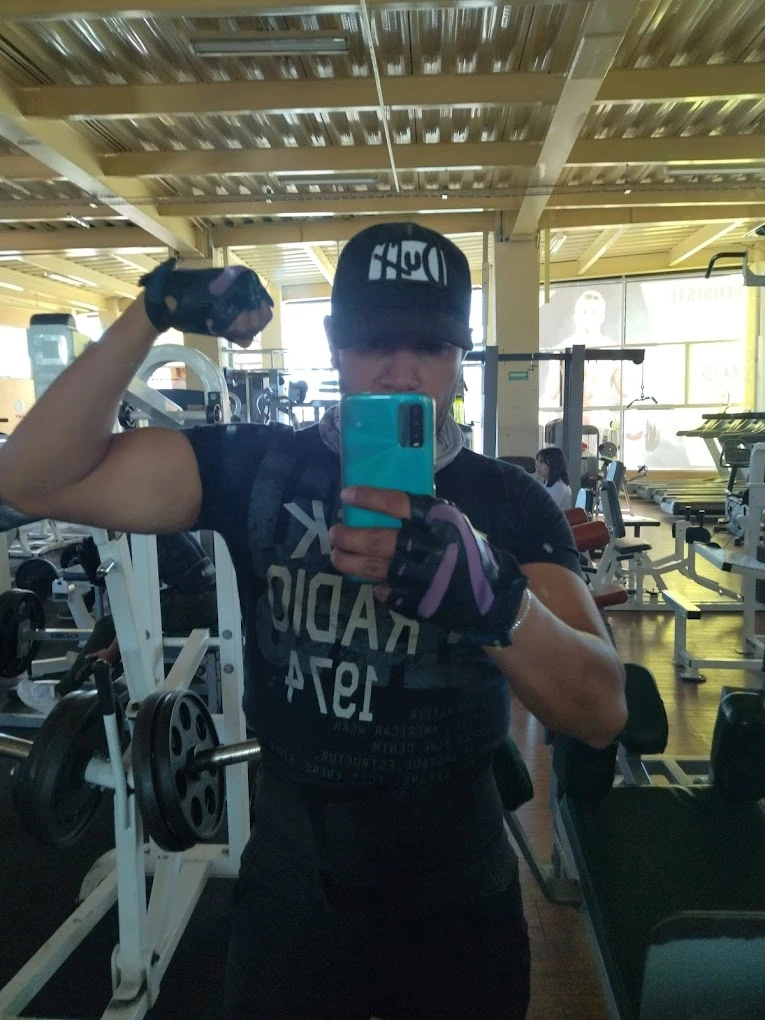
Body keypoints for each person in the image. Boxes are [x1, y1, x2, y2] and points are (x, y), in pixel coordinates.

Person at [0, 224, 627, 1019]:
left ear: (459, 355)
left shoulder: (507, 500)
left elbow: (600, 711)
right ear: (334, 345)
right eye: (372, 342)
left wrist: (495, 596)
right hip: (293, 883)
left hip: (458, 887)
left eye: (429, 346)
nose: (400, 370)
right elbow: (33, 480)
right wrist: (150, 312)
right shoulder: (256, 464)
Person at [14, 531, 218, 716]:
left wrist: (112, 651)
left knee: (109, 625)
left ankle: (58, 695)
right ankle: (91, 661)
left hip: (197, 604)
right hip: (209, 598)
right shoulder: (155, 525)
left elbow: (136, 611)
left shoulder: (137, 541)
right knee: (119, 620)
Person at [534, 446, 574, 512]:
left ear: (553, 464)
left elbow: (541, 510)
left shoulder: (559, 487)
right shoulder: (547, 482)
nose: (537, 466)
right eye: (537, 461)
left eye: (541, 462)